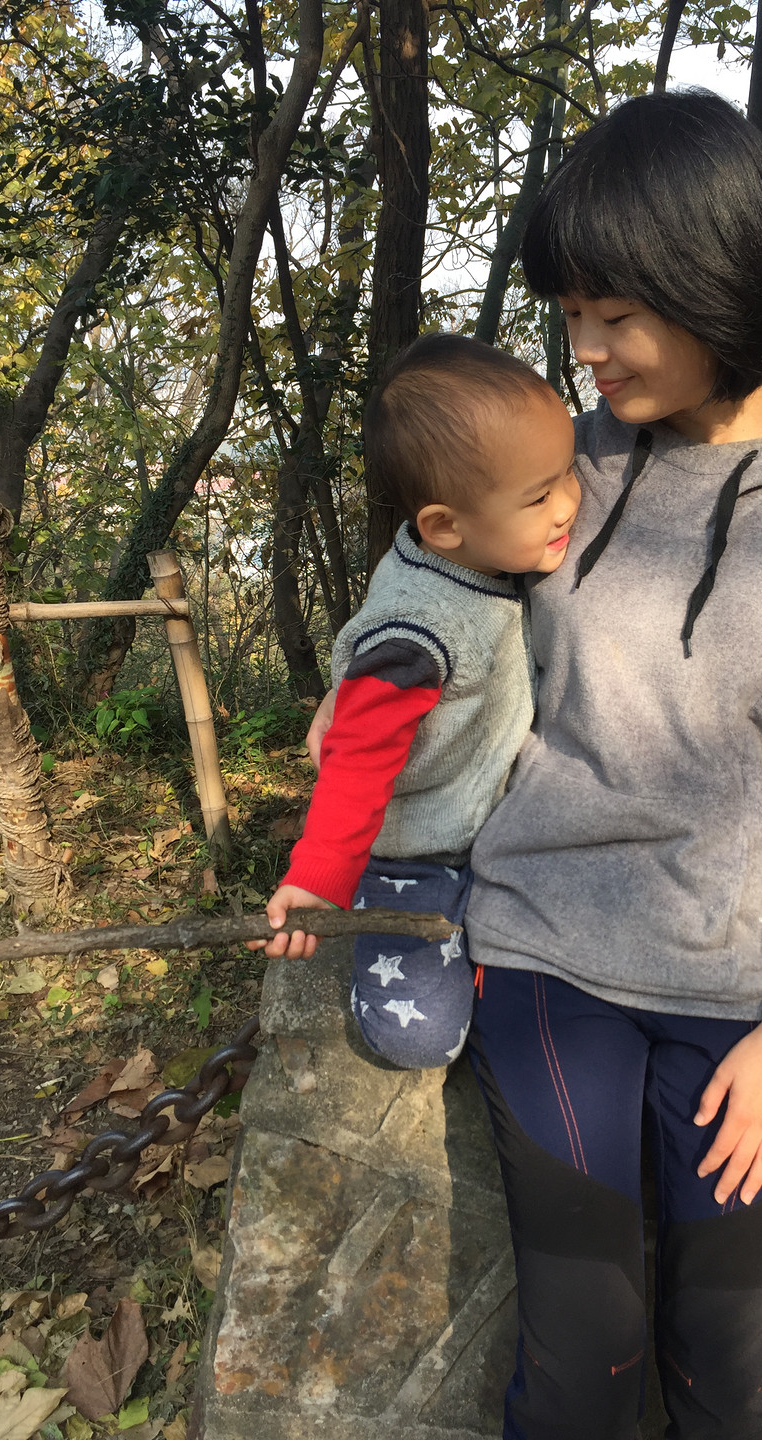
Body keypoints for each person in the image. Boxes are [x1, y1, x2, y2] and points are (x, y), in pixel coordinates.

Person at [449, 90, 762, 1440]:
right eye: (570, 310)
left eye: (615, 313)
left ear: (715, 280)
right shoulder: (558, 465)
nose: (582, 348)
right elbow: (434, 598)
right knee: (588, 1369)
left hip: (740, 985)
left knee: (727, 1372)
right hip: (546, 951)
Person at [251, 334, 580, 1070]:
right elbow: (356, 758)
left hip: (502, 829)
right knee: (418, 1039)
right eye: (540, 496)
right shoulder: (416, 633)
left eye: (567, 476)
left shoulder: (483, 552)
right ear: (444, 525)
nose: (567, 506)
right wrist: (319, 874)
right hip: (417, 854)